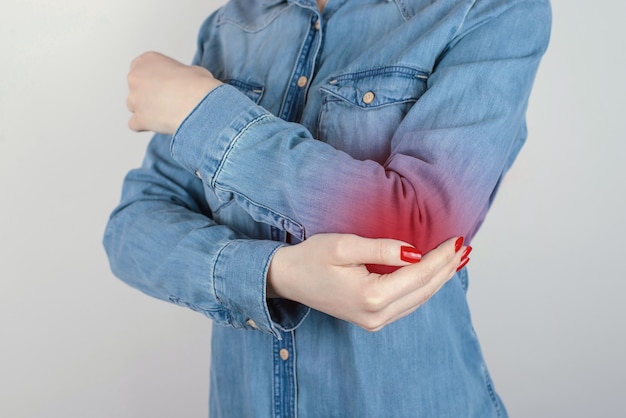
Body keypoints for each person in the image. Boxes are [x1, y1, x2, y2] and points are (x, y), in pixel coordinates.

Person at [104, 0, 551, 416]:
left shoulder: (488, 9)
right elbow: (133, 228)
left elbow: (415, 237)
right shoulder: (233, 24)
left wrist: (201, 111)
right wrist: (275, 273)